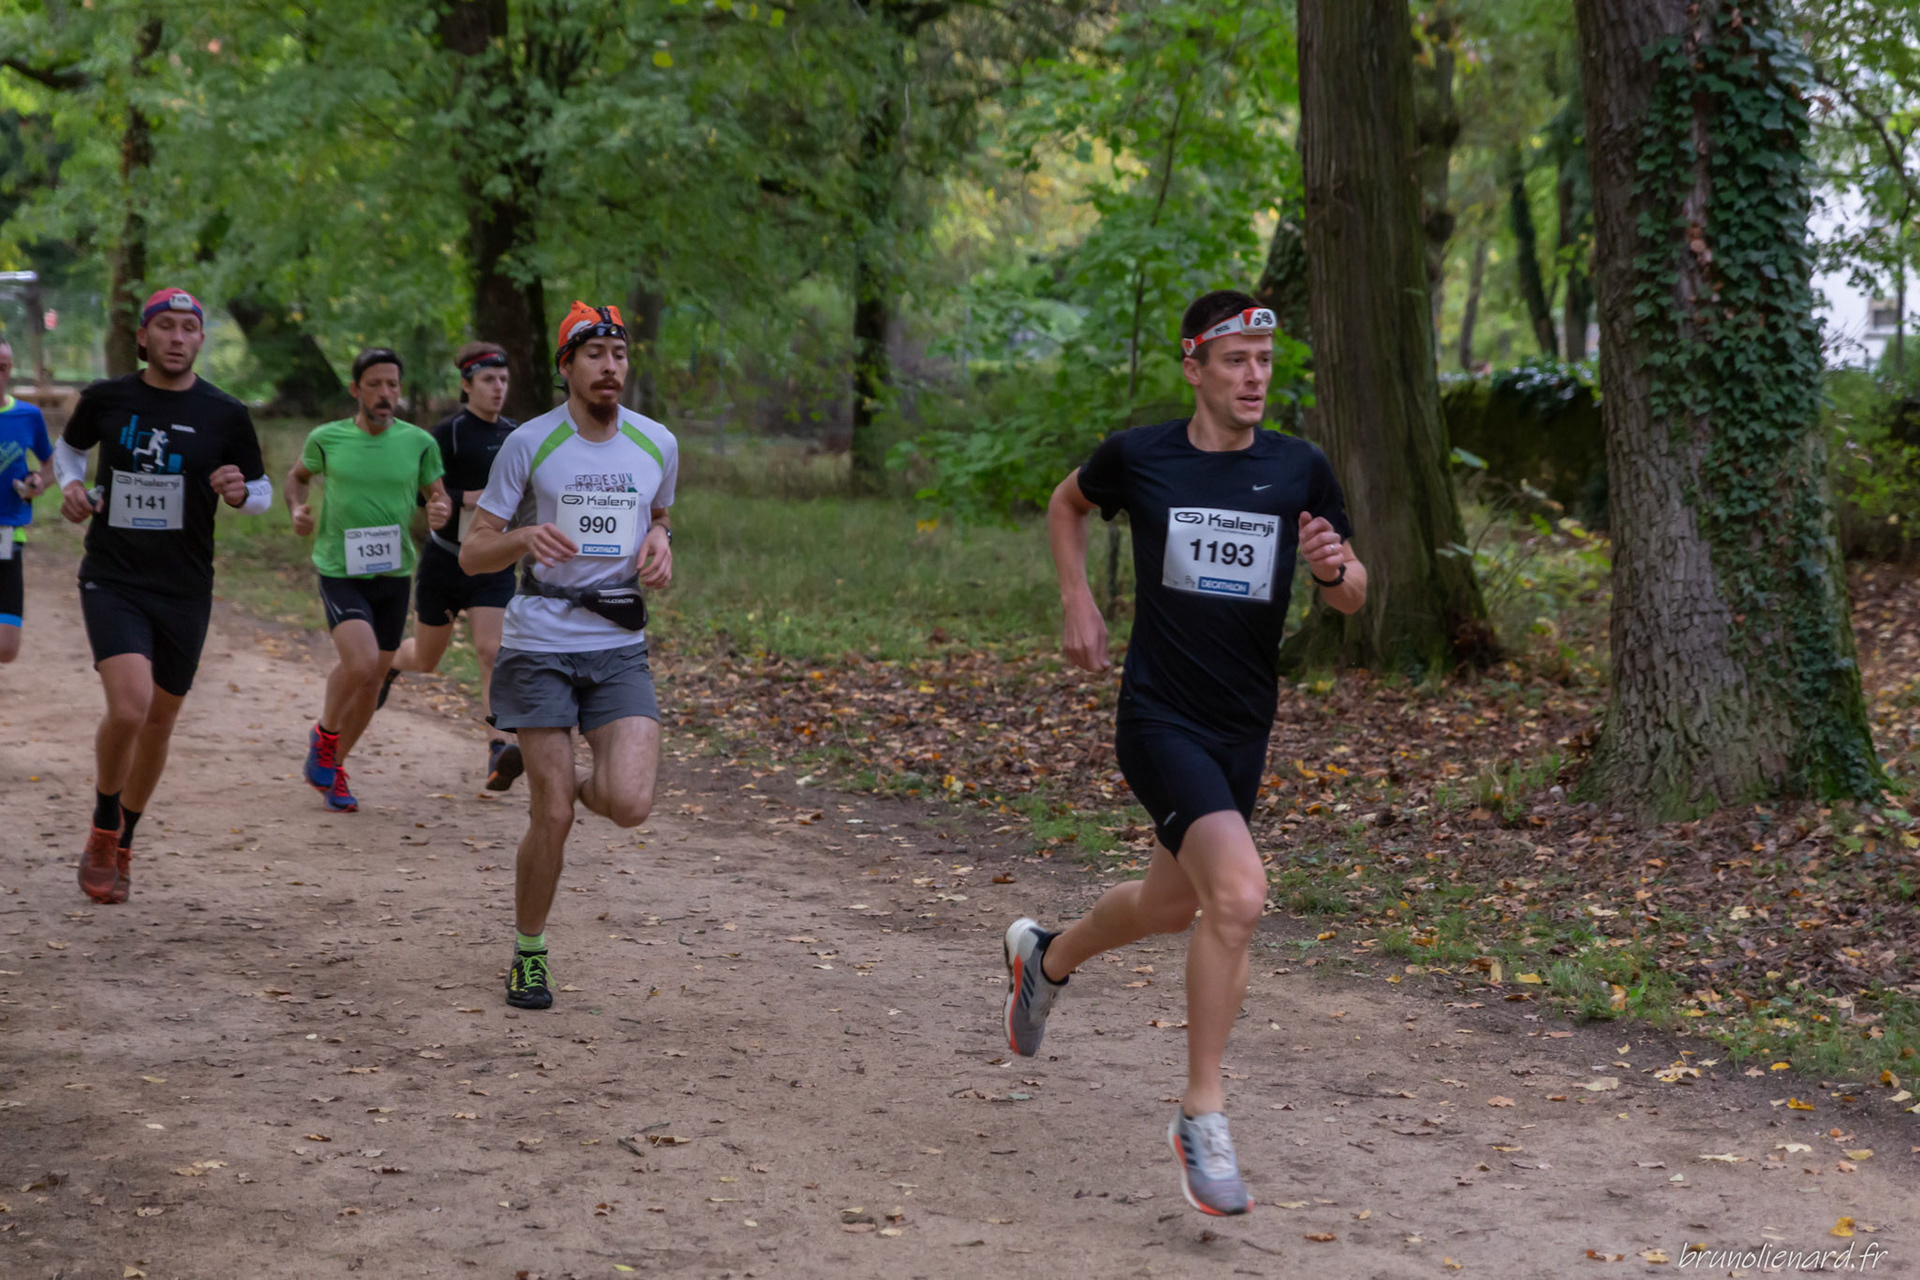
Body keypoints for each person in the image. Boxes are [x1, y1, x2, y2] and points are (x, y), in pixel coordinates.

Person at [1001, 290, 1368, 1216]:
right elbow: (1067, 502)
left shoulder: (1297, 468)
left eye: (1265, 362)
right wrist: (1077, 598)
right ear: (1194, 366)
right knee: (1236, 895)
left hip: (1243, 727)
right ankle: (1201, 1113)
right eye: (1236, 360)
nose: (1254, 377)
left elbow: (1352, 595)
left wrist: (1332, 569)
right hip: (1159, 719)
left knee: (1171, 905)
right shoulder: (1142, 456)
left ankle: (1045, 959)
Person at [460, 302, 676, 1011]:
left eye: (619, 353)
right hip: (540, 645)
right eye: (594, 354)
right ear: (567, 367)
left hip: (618, 645)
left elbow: (660, 514)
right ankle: (529, 953)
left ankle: (560, 772)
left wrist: (662, 540)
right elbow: (472, 551)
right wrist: (524, 538)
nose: (610, 366)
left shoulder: (657, 443)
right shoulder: (530, 442)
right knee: (553, 815)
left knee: (630, 803)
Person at [53, 288, 272, 903]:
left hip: (184, 586)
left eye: (188, 328)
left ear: (201, 338)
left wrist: (240, 492)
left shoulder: (225, 413)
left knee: (158, 722)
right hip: (113, 576)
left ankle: (126, 840)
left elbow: (260, 491)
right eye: (166, 326)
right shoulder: (107, 398)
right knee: (130, 707)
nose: (177, 338)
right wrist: (71, 486)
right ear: (143, 337)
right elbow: (69, 449)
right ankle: (103, 825)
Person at [287, 348, 450, 813]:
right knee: (359, 664)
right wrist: (296, 509)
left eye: (392, 385)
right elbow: (297, 478)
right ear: (356, 389)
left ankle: (334, 765)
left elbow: (437, 495)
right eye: (375, 384)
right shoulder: (327, 438)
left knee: (374, 680)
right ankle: (324, 735)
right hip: (341, 571)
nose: (385, 394)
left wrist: (440, 510)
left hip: (394, 574)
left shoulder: (419, 443)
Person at [380, 342, 523, 790]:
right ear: (466, 384)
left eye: (503, 380)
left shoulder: (518, 435)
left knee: (492, 650)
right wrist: (465, 498)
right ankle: (391, 662)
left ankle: (499, 748)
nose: (498, 388)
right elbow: (418, 489)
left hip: (493, 561)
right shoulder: (447, 434)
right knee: (426, 659)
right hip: (445, 560)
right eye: (488, 380)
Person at [0, 340, 54, 663]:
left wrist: (37, 482)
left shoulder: (27, 416)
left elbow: (51, 465)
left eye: (2, 366)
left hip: (7, 535)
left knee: (6, 648)